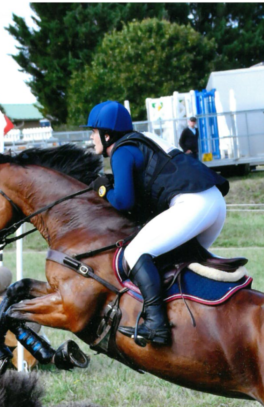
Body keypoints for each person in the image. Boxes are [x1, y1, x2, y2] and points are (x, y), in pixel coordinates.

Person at [84, 100, 229, 347]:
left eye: (94, 132)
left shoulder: (121, 151)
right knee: (171, 261)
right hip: (213, 202)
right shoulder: (143, 139)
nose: (91, 137)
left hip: (193, 204)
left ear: (108, 135)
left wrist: (102, 189)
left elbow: (124, 201)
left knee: (135, 252)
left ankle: (156, 325)